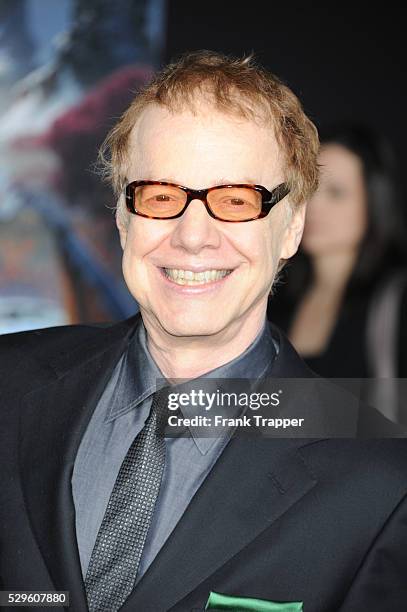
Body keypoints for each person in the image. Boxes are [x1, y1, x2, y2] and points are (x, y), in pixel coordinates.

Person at [1, 51, 406, 612]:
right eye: (161, 197)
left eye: (236, 201)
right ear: (122, 218)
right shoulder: (8, 383)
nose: (193, 236)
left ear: (291, 228)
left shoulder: (380, 483)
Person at [268, 124, 407, 422]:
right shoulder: (273, 296)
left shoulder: (396, 300)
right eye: (310, 189)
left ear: (374, 200)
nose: (314, 206)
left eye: (336, 193)